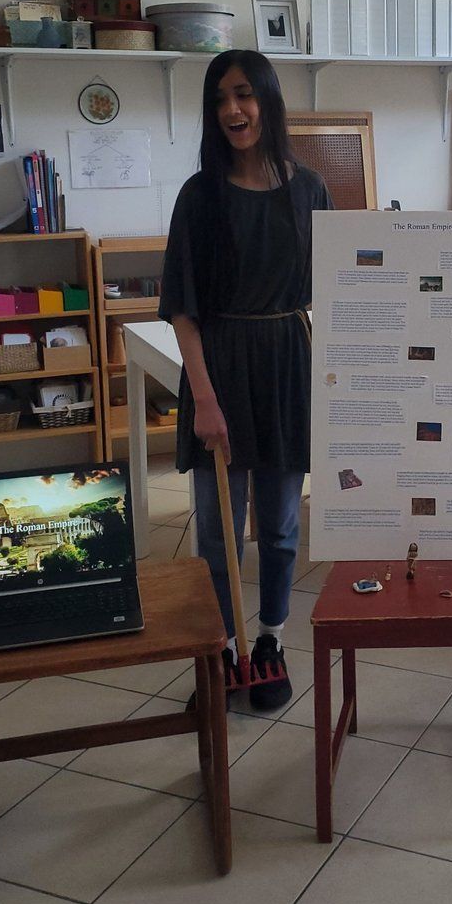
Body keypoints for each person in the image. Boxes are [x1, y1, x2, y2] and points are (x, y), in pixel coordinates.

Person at [160, 49, 332, 710]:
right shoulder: (200, 195)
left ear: (267, 99)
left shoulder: (309, 188)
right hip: (220, 366)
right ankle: (221, 647)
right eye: (220, 99)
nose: (233, 110)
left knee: (283, 524)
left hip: (288, 361)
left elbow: (345, 283)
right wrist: (205, 398)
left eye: (244, 95)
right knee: (217, 530)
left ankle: (270, 641)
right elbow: (182, 305)